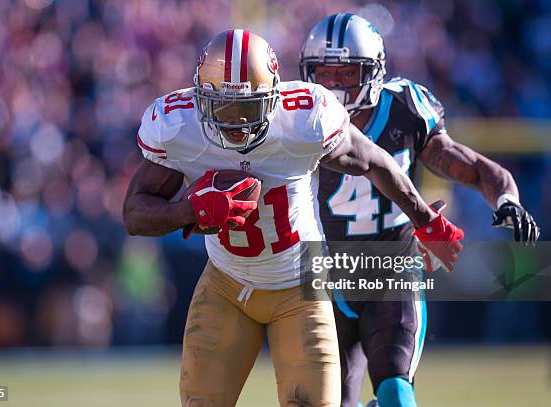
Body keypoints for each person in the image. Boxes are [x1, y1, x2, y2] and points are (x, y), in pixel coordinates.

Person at [123, 29, 464, 407]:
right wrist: (188, 211)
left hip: (300, 287)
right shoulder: (178, 126)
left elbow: (374, 161)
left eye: (247, 108)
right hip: (225, 284)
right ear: (200, 98)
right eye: (223, 107)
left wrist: (425, 220)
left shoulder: (304, 121)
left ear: (273, 96)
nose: (236, 122)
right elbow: (134, 213)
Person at [300, 13, 540, 407]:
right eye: (324, 74)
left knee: (396, 392)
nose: (333, 86)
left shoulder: (404, 110)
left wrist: (506, 199)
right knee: (327, 402)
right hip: (324, 272)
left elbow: (475, 167)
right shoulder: (299, 117)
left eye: (346, 74)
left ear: (373, 72)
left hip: (391, 270)